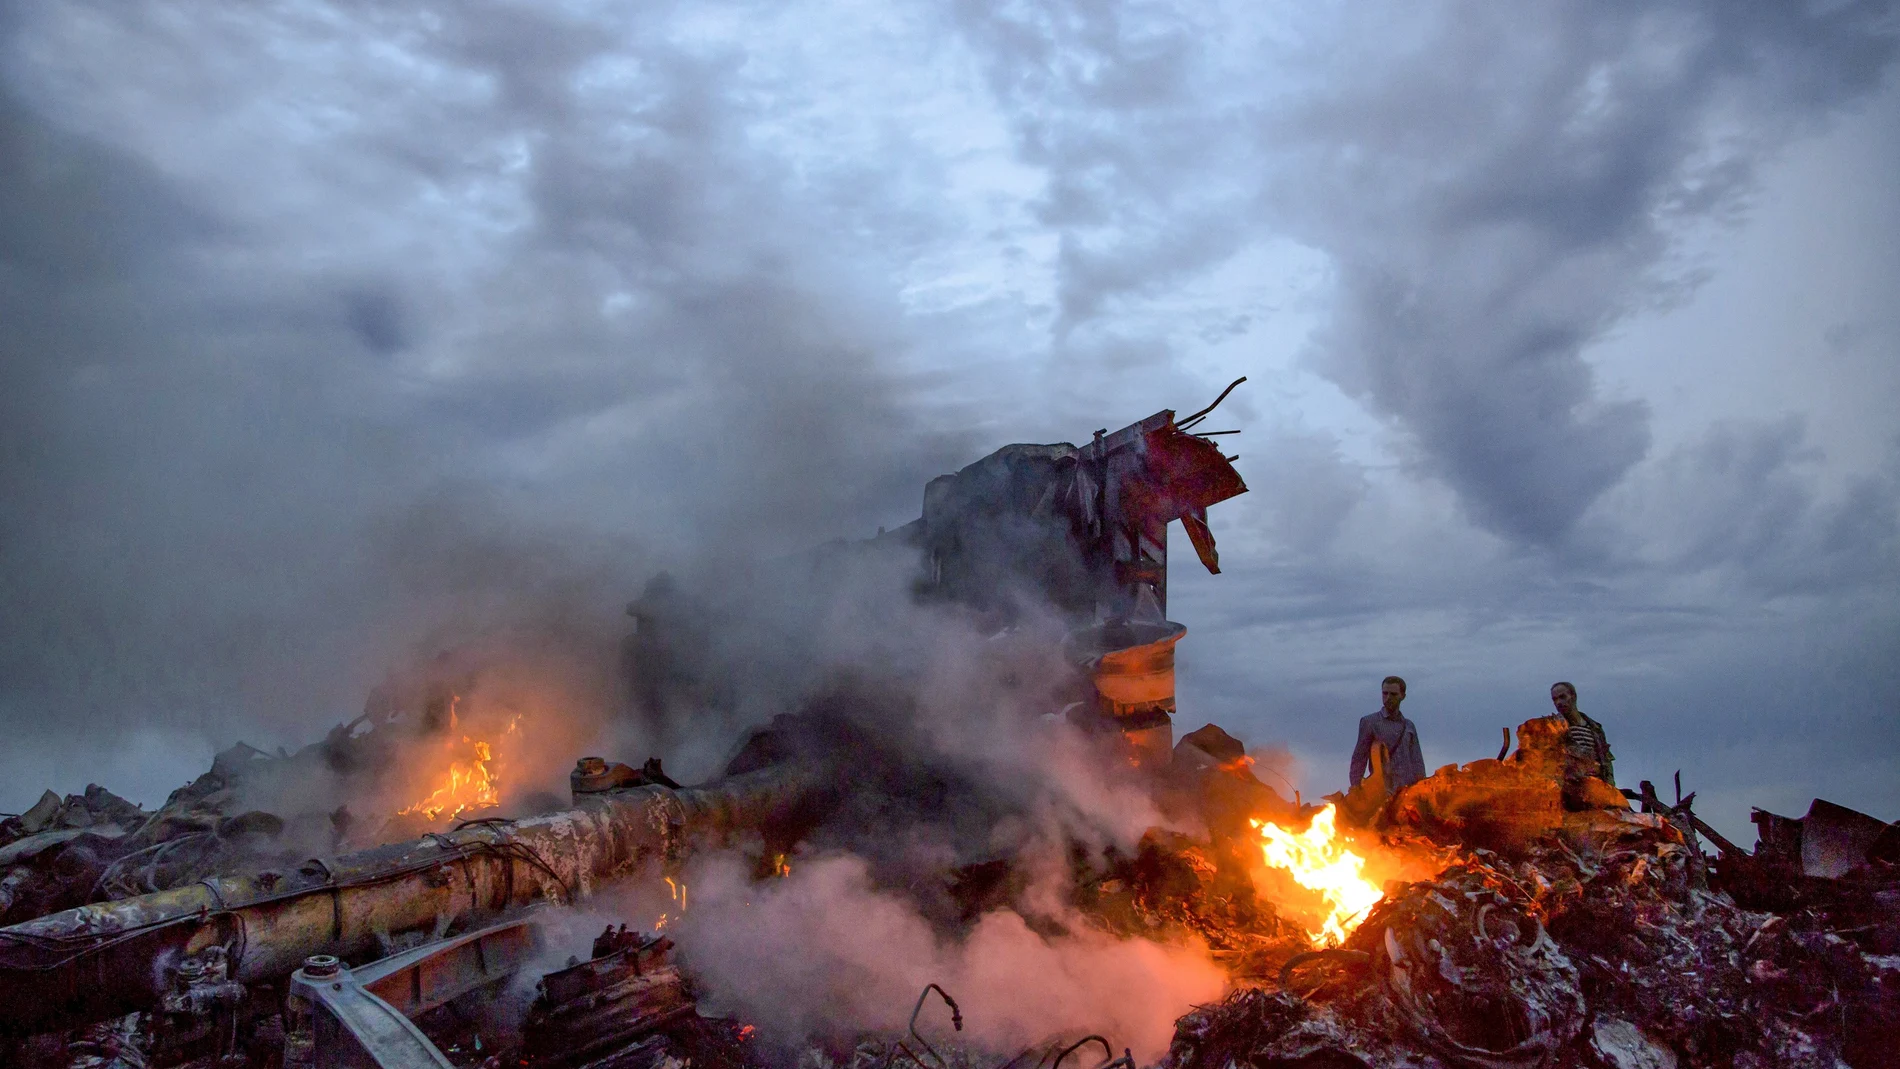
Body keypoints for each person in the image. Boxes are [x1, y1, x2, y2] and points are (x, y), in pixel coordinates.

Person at [1349, 675, 1427, 796]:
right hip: (1382, 793)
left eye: (1393, 694)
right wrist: (1356, 788)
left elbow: (1417, 762)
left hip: (1407, 793)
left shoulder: (1409, 726)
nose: (1388, 698)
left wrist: (1422, 790)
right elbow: (1359, 758)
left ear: (1402, 696)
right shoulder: (1370, 722)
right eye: (1385, 693)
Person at [1550, 681, 1614, 786]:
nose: (1558, 702)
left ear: (1573, 696)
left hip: (1598, 789)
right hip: (1570, 790)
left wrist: (1611, 788)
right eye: (1555, 699)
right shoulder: (1552, 727)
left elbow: (1606, 762)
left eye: (1562, 697)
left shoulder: (1595, 728)